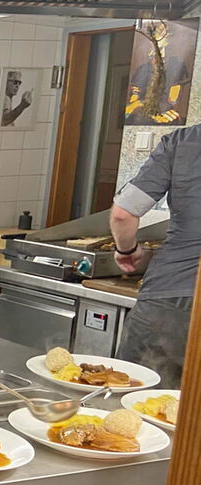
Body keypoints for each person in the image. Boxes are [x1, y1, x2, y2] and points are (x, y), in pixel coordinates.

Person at [111, 123, 201, 388]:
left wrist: (126, 250)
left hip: (170, 297)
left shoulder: (182, 142)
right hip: (175, 295)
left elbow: (123, 213)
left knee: (135, 401)